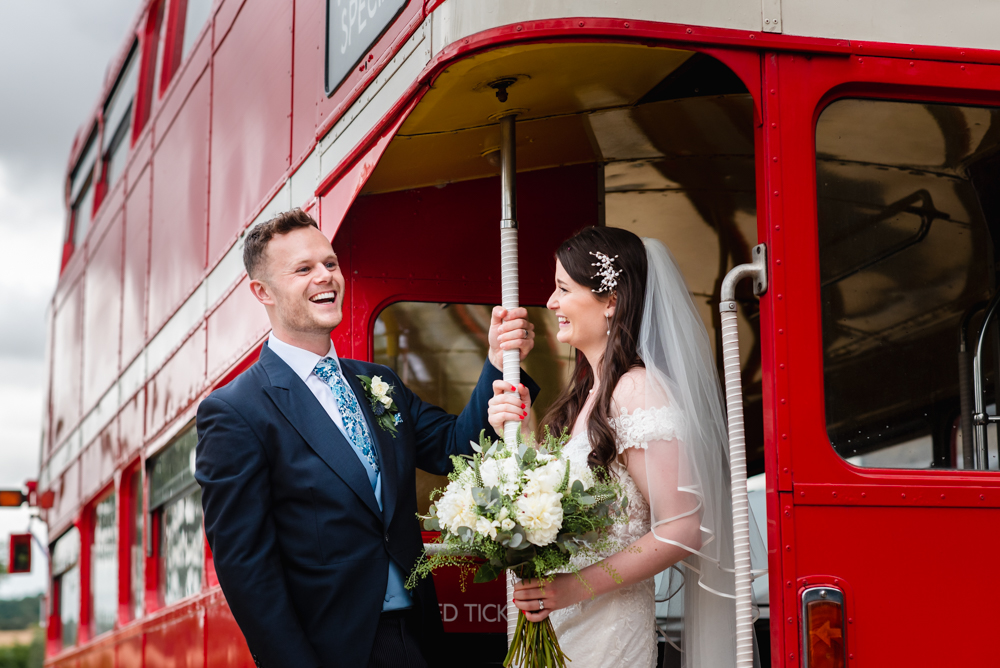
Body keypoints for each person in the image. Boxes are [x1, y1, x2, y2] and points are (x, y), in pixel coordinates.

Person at [195, 209, 538, 668]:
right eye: (303, 269)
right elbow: (245, 567)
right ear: (263, 292)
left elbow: (456, 447)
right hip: (330, 651)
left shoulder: (380, 384)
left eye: (330, 263)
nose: (325, 277)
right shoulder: (236, 411)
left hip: (416, 639)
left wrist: (498, 361)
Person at [496, 226, 761, 668]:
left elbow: (681, 528)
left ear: (611, 300)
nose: (551, 303)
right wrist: (520, 428)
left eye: (562, 288)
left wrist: (571, 588)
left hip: (606, 636)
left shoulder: (637, 391)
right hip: (559, 628)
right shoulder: (587, 396)